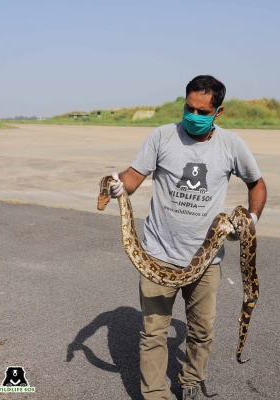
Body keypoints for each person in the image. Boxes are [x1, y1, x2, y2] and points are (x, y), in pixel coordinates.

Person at [109, 75, 267, 400]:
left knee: (202, 331)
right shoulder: (162, 137)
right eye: (188, 108)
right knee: (153, 332)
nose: (193, 116)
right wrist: (116, 184)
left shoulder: (231, 145)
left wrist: (250, 220)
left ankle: (191, 380)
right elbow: (132, 177)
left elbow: (257, 184)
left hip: (206, 260)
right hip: (158, 255)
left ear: (218, 112)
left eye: (201, 111)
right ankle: (156, 394)